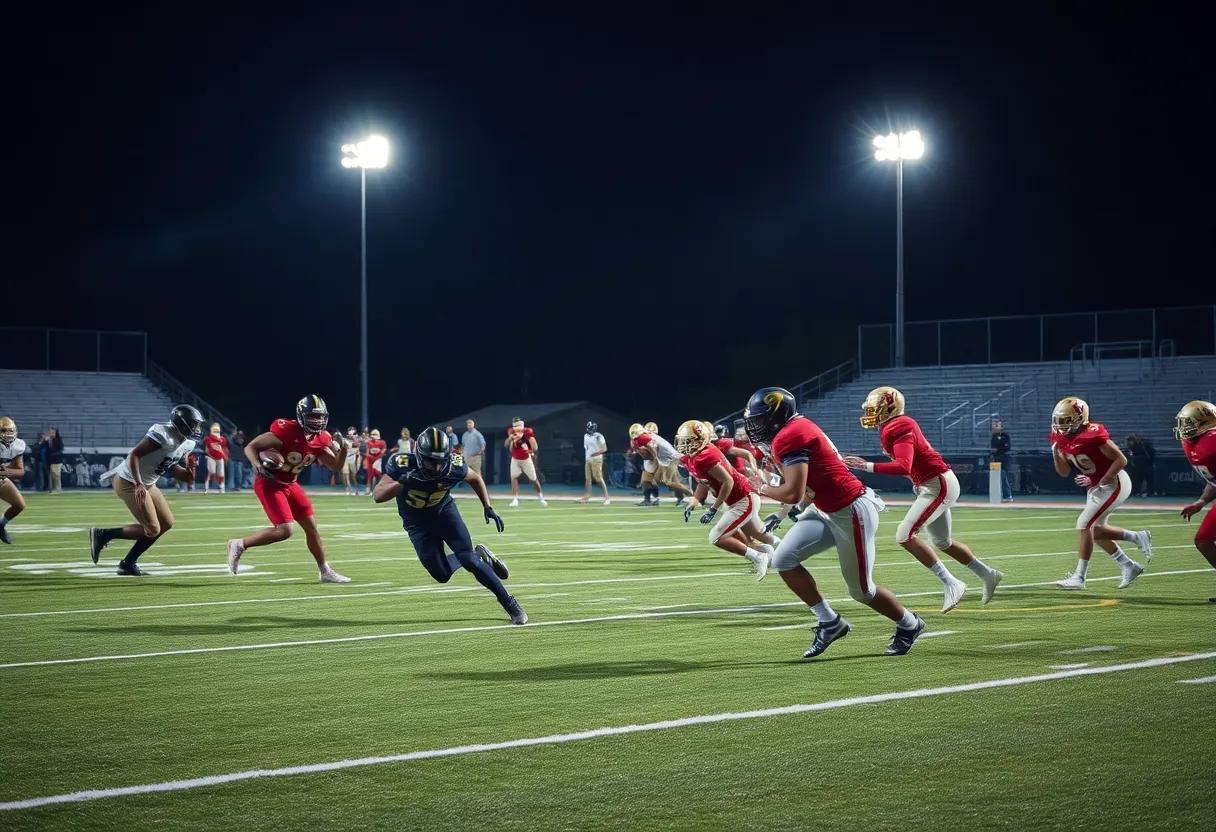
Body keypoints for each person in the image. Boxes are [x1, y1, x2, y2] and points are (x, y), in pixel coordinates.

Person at [744, 386, 927, 659]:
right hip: (826, 509)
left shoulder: (790, 435)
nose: (754, 426)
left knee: (862, 592)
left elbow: (793, 492)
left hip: (851, 510)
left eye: (759, 419)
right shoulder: (791, 430)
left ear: (776, 416)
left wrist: (760, 488)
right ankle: (830, 622)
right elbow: (804, 489)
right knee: (783, 559)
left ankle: (910, 624)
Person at [844, 386, 1004, 612]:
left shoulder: (900, 424)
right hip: (929, 484)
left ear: (890, 407)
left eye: (875, 408)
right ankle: (988, 574)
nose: (871, 413)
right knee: (942, 542)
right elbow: (908, 468)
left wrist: (866, 466)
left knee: (904, 535)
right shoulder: (890, 426)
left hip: (937, 483)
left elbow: (903, 465)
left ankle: (951, 582)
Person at [374, 427, 527, 624]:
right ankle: (480, 554)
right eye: (432, 461)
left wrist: (487, 506)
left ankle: (510, 604)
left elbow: (475, 478)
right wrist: (401, 484)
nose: (437, 468)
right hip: (417, 523)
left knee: (469, 560)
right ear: (419, 455)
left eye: (440, 461)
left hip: (444, 512)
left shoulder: (454, 464)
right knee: (441, 574)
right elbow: (378, 495)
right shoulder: (402, 463)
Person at [225, 395, 350, 583]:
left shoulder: (322, 439)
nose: (318, 421)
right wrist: (257, 465)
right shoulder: (286, 430)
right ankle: (239, 544)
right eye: (313, 417)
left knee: (312, 528)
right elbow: (251, 447)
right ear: (301, 416)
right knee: (285, 530)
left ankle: (325, 571)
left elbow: (336, 466)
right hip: (270, 484)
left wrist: (344, 451)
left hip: (291, 483)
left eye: (321, 417)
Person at [1050, 397, 1153, 590]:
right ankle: (1130, 563)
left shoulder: (1092, 433)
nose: (1061, 425)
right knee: (1094, 533)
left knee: (1084, 524)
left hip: (1115, 482)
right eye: (1059, 420)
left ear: (1080, 417)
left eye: (1066, 420)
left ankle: (1079, 577)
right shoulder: (1060, 438)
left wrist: (1099, 479)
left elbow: (1121, 460)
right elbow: (1064, 472)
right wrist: (1055, 453)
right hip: (1097, 486)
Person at [88, 405, 202, 575]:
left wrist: (191, 469)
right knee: (152, 529)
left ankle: (128, 563)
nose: (195, 428)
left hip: (148, 483)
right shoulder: (162, 433)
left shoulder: (187, 444)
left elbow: (180, 474)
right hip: (128, 480)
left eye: (196, 425)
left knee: (166, 523)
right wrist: (139, 483)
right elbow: (135, 454)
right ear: (180, 422)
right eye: (192, 424)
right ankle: (103, 535)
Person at [675, 420, 774, 578]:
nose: (684, 445)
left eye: (688, 441)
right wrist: (693, 502)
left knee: (717, 536)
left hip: (743, 498)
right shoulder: (694, 457)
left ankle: (760, 557)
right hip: (736, 500)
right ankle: (771, 555)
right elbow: (704, 482)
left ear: (700, 440)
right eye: (683, 441)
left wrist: (714, 508)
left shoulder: (705, 455)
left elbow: (728, 481)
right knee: (756, 536)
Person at [1173, 400, 1216, 602]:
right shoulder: (1193, 443)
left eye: (1190, 423)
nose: (1185, 428)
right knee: (1203, 540)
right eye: (1184, 423)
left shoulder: (1213, 440)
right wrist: (1200, 502)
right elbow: (1213, 481)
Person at [628, 422, 693, 506]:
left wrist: (656, 459)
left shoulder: (648, 438)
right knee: (645, 480)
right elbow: (645, 451)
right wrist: (635, 452)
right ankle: (647, 499)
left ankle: (691, 496)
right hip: (653, 459)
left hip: (666, 459)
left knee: (669, 482)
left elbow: (654, 450)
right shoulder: (638, 439)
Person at [505, 417, 546, 506]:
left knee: (534, 479)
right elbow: (506, 445)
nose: (517, 427)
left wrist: (530, 450)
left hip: (526, 458)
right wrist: (510, 438)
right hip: (515, 458)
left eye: (518, 425)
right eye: (515, 425)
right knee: (514, 477)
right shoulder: (511, 432)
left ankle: (541, 497)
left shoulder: (527, 432)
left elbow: (534, 446)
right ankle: (515, 499)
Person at [0, 417, 28, 544]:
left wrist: (7, 472)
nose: (8, 434)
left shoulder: (17, 445)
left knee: (19, 505)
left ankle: (0, 526)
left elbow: (20, 471)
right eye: (5, 431)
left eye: (11, 431)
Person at [579, 421, 611, 505]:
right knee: (588, 479)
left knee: (598, 478)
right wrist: (588, 457)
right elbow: (586, 448)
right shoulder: (585, 436)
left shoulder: (599, 436)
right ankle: (587, 496)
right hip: (588, 458)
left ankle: (607, 497)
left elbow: (604, 449)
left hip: (597, 459)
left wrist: (596, 453)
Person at [990, 419, 1013, 502]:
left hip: (1004, 459)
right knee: (996, 478)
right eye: (993, 426)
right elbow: (992, 450)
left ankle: (1008, 495)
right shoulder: (993, 438)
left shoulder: (1005, 436)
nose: (994, 428)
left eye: (996, 425)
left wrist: (998, 450)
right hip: (996, 460)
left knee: (1004, 476)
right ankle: (998, 495)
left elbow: (1006, 447)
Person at [203, 423, 228, 493]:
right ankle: (206, 488)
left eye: (217, 431)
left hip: (220, 457)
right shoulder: (208, 438)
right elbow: (206, 448)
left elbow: (224, 448)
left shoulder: (223, 439)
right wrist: (207, 454)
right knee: (211, 471)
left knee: (221, 474)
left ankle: (221, 487)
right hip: (211, 457)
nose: (216, 432)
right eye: (215, 431)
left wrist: (225, 457)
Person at [363, 428, 387, 496]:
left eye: (375, 434)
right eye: (372, 434)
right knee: (369, 474)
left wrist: (376, 458)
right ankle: (368, 490)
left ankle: (380, 488)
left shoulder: (382, 442)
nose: (373, 436)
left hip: (378, 459)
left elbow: (382, 452)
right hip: (370, 460)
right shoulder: (369, 442)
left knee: (378, 474)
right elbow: (367, 452)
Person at [342, 426, 362, 495]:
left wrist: (354, 437)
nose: (350, 431)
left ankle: (356, 489)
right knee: (345, 474)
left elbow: (356, 445)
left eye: (352, 430)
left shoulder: (357, 438)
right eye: (349, 430)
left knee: (353, 476)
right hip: (345, 459)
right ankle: (348, 489)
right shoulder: (344, 439)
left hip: (352, 459)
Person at [46, 427, 64, 493]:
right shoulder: (48, 440)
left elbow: (61, 449)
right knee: (50, 475)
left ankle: (58, 489)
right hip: (49, 460)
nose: (51, 434)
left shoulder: (58, 440)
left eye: (53, 433)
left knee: (56, 474)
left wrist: (55, 455)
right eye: (50, 433)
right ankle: (51, 489)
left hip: (56, 459)